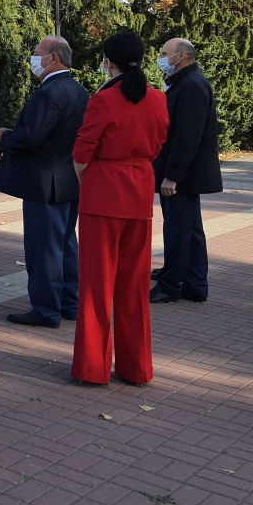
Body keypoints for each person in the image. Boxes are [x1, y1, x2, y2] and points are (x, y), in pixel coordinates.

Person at [71, 30, 169, 385]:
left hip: (102, 194)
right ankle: (136, 367)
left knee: (97, 286)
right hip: (139, 192)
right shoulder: (159, 99)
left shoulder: (103, 100)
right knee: (134, 286)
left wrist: (91, 178)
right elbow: (157, 145)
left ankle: (93, 367)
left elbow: (82, 152)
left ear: (108, 61)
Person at [0, 36, 89, 327]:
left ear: (54, 59)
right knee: (66, 244)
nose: (33, 58)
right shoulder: (78, 89)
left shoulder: (50, 92)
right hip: (69, 180)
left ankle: (46, 310)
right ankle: (69, 303)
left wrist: (1, 134)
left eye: (37, 53)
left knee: (43, 248)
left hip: (44, 184)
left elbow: (28, 137)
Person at [150, 38, 221, 304]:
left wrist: (173, 175)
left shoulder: (191, 86)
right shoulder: (187, 83)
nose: (160, 57)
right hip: (186, 173)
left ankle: (172, 285)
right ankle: (192, 282)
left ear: (180, 56)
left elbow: (187, 136)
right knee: (188, 229)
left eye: (164, 53)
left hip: (184, 175)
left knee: (179, 229)